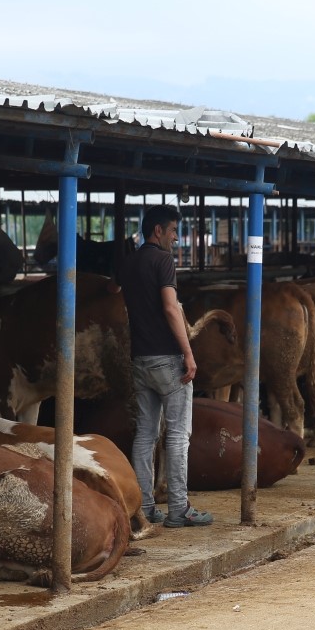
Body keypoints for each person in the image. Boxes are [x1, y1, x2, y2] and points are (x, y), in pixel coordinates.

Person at [114, 204, 211, 528]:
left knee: (145, 434)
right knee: (178, 435)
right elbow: (171, 308)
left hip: (140, 359)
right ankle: (179, 509)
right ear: (158, 230)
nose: (176, 238)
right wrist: (188, 353)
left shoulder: (129, 263)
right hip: (168, 360)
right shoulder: (163, 261)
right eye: (173, 231)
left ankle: (145, 507)